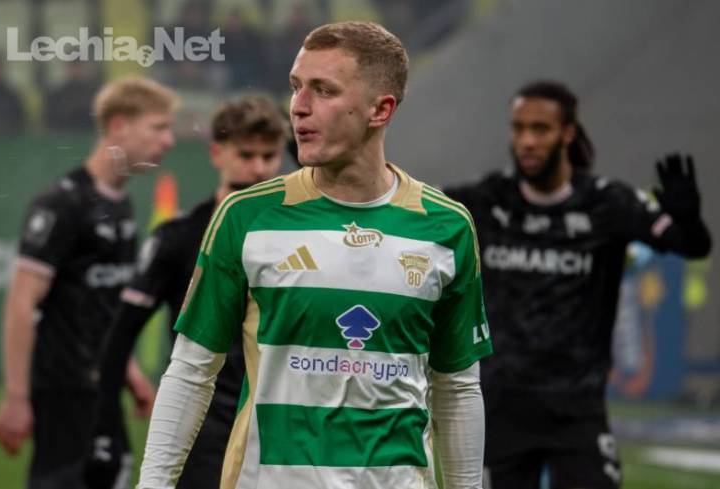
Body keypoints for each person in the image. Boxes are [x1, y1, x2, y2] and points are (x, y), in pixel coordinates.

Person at [137, 21, 491, 489]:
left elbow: (458, 386)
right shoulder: (246, 217)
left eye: (323, 90)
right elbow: (190, 371)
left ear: (381, 109)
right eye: (295, 87)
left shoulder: (447, 228)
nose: (298, 107)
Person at [445, 80, 712, 489]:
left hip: (577, 410)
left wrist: (688, 220)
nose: (527, 141)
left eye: (540, 129)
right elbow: (413, 222)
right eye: (519, 128)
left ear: (568, 133)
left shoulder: (609, 203)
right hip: (501, 407)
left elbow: (692, 245)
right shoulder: (484, 201)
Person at [94, 93, 289, 489]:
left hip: (279, 430)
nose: (258, 168)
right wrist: (105, 428)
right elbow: (118, 338)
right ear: (217, 153)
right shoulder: (178, 238)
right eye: (246, 155)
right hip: (203, 434)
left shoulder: (301, 238)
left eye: (270, 156)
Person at [0, 76, 177, 489]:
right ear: (118, 126)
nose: (168, 141)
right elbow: (21, 302)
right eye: (158, 127)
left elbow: (105, 305)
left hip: (102, 387)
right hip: (63, 391)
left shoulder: (121, 204)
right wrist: (17, 396)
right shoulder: (63, 204)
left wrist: (129, 371)